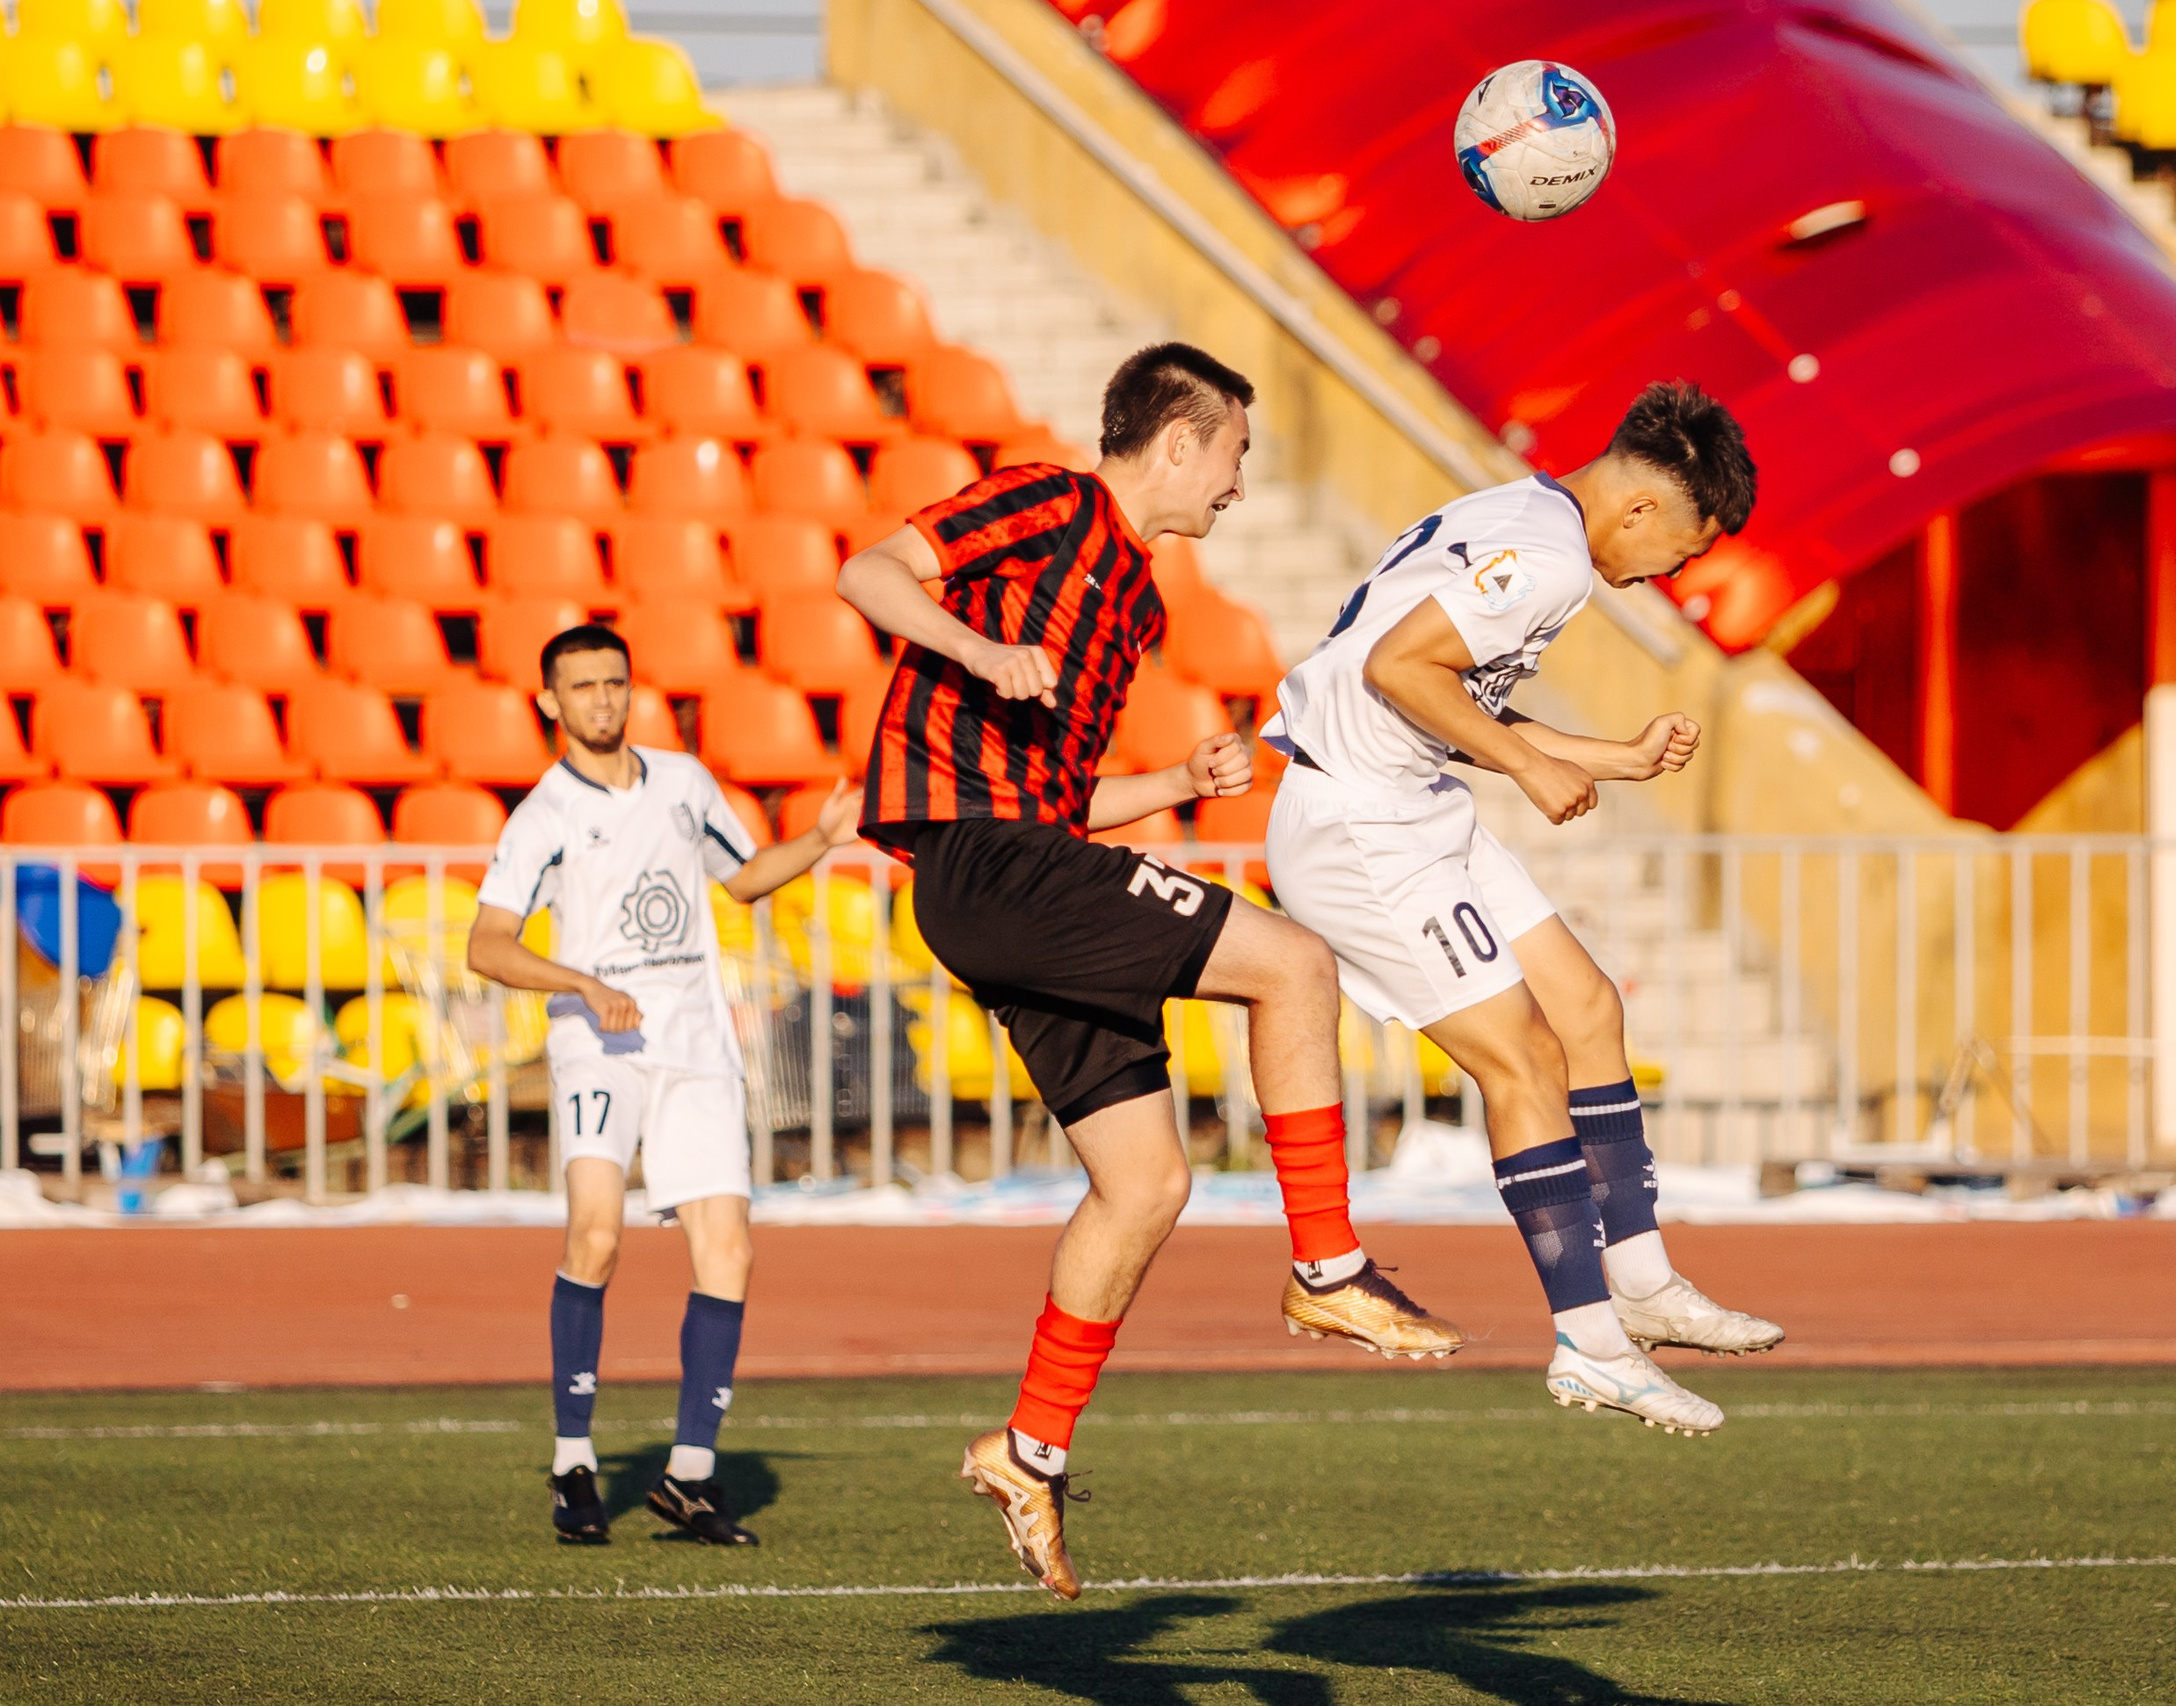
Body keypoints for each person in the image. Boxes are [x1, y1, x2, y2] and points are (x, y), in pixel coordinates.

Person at [834, 342, 1463, 1600]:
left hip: (1030, 862)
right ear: (1177, 440)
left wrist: (1177, 784)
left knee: (1148, 1182)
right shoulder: (1052, 501)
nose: (1239, 482)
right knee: (1291, 962)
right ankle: (1328, 1268)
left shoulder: (1138, 600)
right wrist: (975, 646)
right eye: (1234, 450)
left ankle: (1027, 1451)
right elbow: (871, 569)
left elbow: (1063, 799)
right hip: (980, 860)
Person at [1260, 381, 1786, 1439]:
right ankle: (1592, 1344)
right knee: (1524, 1057)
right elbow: (1397, 666)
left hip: (1411, 798)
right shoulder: (1546, 558)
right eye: (1682, 548)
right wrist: (1531, 772)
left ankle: (1637, 1277)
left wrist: (1608, 757)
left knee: (1587, 1008)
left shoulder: (1521, 516)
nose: (1672, 573)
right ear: (1640, 509)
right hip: (1361, 825)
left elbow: (1449, 690)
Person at [467, 625, 862, 1546]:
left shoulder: (685, 783)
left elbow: (745, 879)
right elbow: (486, 944)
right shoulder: (544, 816)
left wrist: (818, 837)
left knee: (728, 1251)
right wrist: (582, 983)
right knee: (596, 1238)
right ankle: (573, 1462)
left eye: (616, 683)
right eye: (583, 687)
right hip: (598, 1048)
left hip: (695, 1045)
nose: (604, 700)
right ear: (549, 703)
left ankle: (690, 1476)